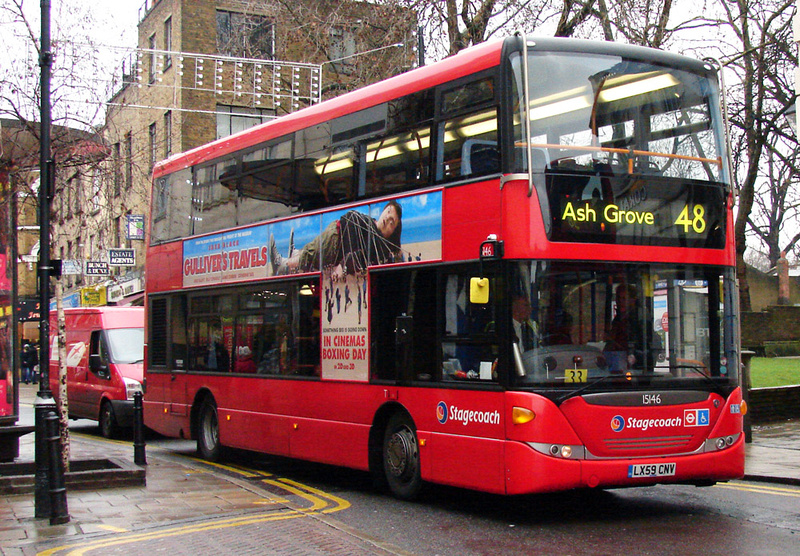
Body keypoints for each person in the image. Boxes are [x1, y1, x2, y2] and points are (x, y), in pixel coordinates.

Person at [270, 201, 402, 280]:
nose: (387, 218)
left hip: (334, 242)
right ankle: (294, 255)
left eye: (392, 222)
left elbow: (359, 257)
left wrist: (343, 264)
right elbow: (349, 218)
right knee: (310, 249)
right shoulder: (370, 223)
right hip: (335, 231)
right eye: (388, 211)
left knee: (311, 253)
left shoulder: (378, 245)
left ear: (392, 233)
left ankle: (282, 264)